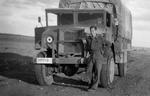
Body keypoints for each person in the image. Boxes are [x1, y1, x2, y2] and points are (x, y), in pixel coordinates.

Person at [86, 25, 105, 92]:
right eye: (91, 31)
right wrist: (87, 54)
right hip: (91, 55)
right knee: (88, 70)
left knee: (97, 71)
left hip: (98, 55)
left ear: (96, 31)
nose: (92, 32)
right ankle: (90, 84)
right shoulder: (88, 38)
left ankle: (94, 88)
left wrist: (102, 53)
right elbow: (87, 47)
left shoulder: (100, 37)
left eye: (93, 30)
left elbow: (104, 45)